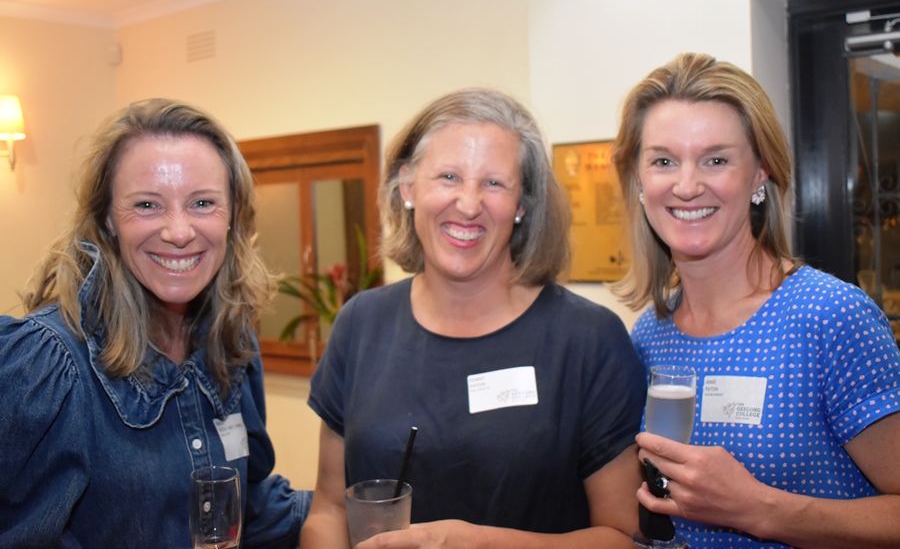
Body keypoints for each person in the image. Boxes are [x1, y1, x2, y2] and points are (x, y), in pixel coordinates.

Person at [300, 87, 647, 548]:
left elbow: (625, 537)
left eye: (494, 183)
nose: (468, 203)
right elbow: (329, 508)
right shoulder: (360, 324)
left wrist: (478, 544)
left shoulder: (587, 339)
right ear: (408, 187)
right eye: (448, 176)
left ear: (522, 205)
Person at [612, 52, 900, 548]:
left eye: (716, 160)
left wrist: (761, 510)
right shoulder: (651, 333)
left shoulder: (829, 317)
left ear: (760, 174)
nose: (686, 185)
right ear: (639, 181)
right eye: (663, 161)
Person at [0, 98, 311, 548]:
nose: (179, 231)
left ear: (232, 216)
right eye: (147, 205)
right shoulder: (47, 366)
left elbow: (250, 506)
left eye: (203, 202)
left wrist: (345, 511)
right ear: (108, 219)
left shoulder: (229, 339)